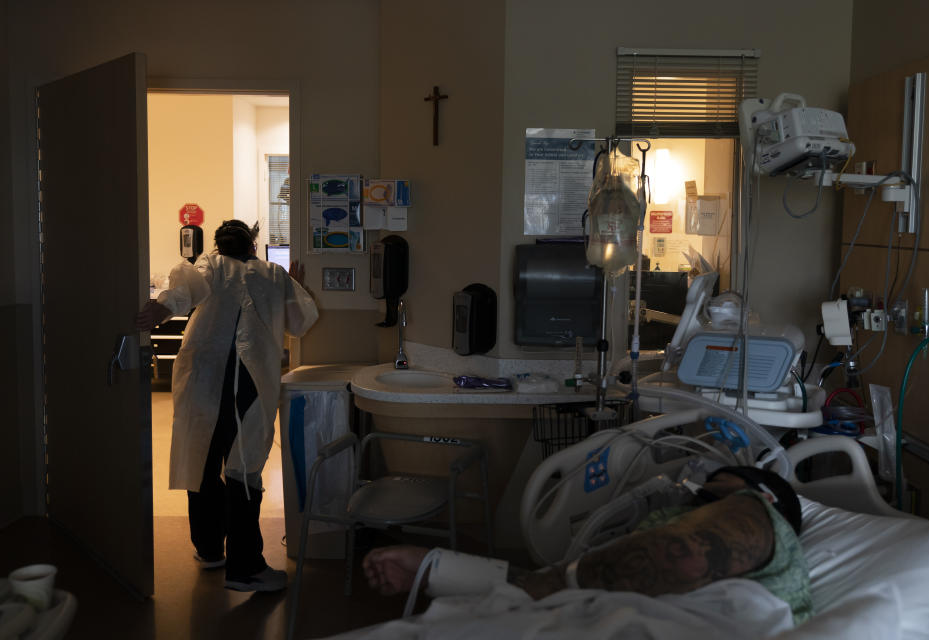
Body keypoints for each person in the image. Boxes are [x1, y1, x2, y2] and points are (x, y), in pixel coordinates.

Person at [363, 466, 813, 624]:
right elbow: (560, 587)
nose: (698, 489)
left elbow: (686, 558)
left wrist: (551, 584)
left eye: (716, 480)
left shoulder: (758, 512)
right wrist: (434, 568)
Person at [136, 220, 318, 592]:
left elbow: (184, 287)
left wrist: (161, 308)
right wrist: (298, 286)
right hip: (248, 387)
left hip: (205, 381)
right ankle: (246, 567)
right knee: (243, 470)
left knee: (204, 460)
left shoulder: (211, 265)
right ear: (252, 244)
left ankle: (209, 550)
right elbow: (301, 323)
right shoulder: (272, 274)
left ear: (218, 246)